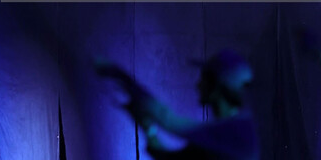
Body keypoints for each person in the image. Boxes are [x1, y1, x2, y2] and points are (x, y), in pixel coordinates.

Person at [97, 49, 258, 159]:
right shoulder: (216, 138)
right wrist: (147, 127)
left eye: (204, 80)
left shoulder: (239, 131)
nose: (198, 85)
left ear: (218, 86)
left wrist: (120, 76)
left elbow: (168, 119)